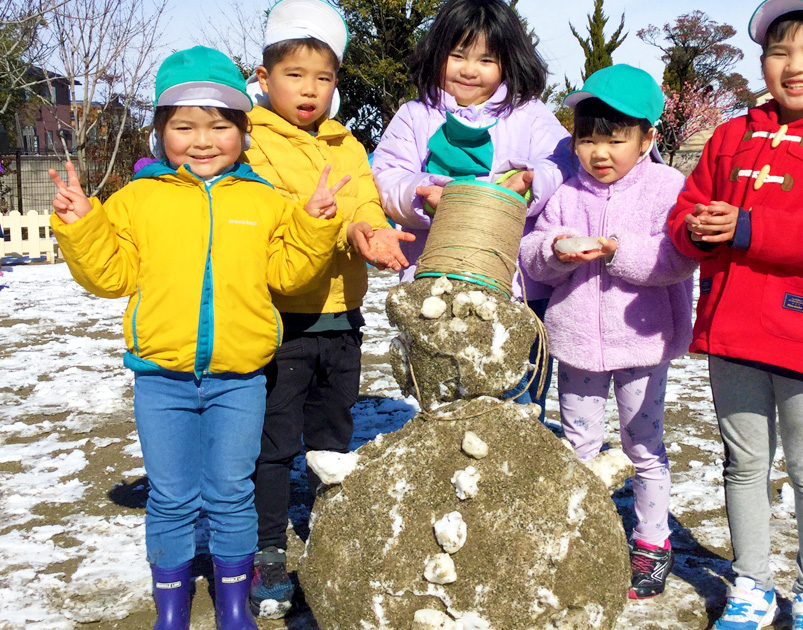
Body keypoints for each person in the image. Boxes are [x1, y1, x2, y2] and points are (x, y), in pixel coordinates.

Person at [47, 46, 345, 630]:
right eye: (184, 125)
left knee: (232, 493)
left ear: (243, 130)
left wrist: (314, 224)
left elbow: (289, 274)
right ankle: (172, 610)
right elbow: (111, 276)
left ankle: (234, 608)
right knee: (172, 497)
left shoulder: (263, 201)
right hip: (161, 378)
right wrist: (82, 225)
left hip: (240, 379)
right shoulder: (137, 199)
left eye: (220, 125)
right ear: (161, 132)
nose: (202, 140)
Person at [666, 1, 803, 628]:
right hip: (731, 331)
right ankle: (751, 583)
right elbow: (686, 211)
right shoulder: (730, 136)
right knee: (742, 463)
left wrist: (747, 227)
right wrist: (695, 231)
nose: (794, 66)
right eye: (779, 51)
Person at [240, 0, 415, 617]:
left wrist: (371, 232)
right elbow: (270, 218)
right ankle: (265, 550)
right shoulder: (252, 142)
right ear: (263, 79)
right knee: (273, 440)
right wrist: (325, 224)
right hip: (282, 318)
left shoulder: (346, 143)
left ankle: (332, 530)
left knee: (333, 432)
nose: (310, 90)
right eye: (295, 75)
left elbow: (364, 203)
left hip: (342, 316)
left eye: (324, 77)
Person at [519, 64, 697, 600]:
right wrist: (555, 250)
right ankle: (581, 537)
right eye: (588, 139)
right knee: (578, 447)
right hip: (574, 342)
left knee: (644, 446)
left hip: (641, 342)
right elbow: (531, 253)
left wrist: (619, 252)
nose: (600, 153)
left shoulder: (668, 188)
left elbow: (677, 257)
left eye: (615, 139)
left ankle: (651, 544)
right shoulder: (567, 192)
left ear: (647, 139)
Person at [371, 0, 574, 421]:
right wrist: (423, 191)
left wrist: (530, 178)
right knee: (448, 392)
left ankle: (517, 467)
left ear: (509, 62)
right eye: (458, 55)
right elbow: (387, 174)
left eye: (486, 59)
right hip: (440, 280)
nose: (469, 69)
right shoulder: (416, 115)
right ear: (437, 53)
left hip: (518, 285)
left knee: (518, 392)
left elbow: (563, 160)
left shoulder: (529, 114)